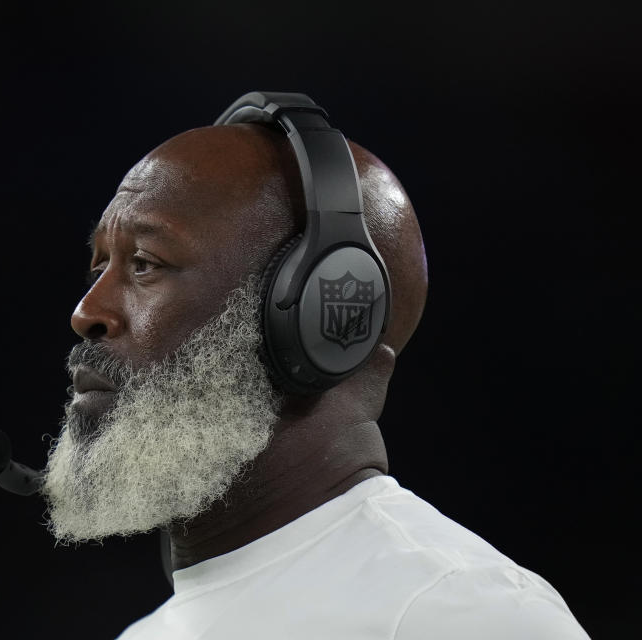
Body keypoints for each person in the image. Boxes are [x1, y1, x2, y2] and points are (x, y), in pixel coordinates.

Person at [39, 94, 590, 639]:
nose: (86, 312)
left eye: (144, 264)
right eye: (99, 267)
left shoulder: (457, 611)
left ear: (319, 322)